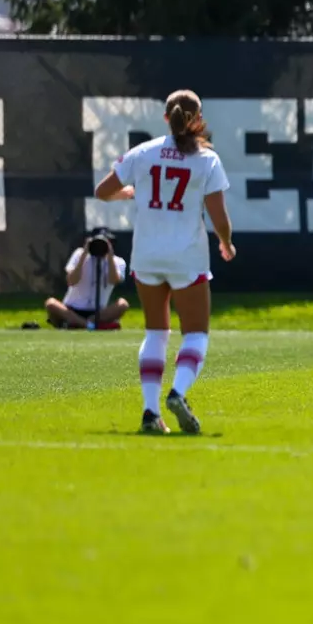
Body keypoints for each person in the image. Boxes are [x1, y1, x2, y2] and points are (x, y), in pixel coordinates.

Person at [94, 90, 234, 435]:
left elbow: (102, 191)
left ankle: (149, 413)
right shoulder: (207, 160)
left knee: (156, 332)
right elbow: (219, 217)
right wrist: (227, 243)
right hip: (187, 256)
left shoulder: (143, 152)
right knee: (196, 333)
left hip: (147, 255)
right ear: (198, 118)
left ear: (166, 117)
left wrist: (126, 193)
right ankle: (178, 392)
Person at [44, 227, 130, 330]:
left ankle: (82, 323)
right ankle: (87, 325)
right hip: (72, 309)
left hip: (98, 312)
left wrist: (109, 255)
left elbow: (113, 280)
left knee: (123, 304)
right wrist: (85, 253)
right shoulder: (79, 254)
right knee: (51, 303)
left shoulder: (117, 261)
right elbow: (71, 281)